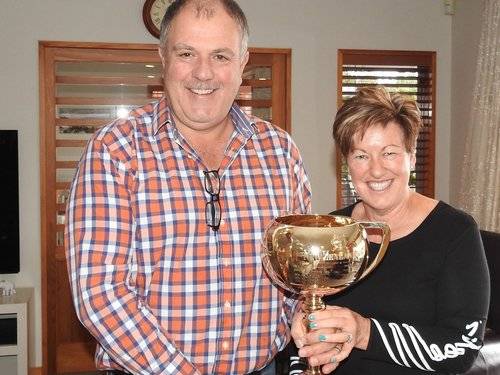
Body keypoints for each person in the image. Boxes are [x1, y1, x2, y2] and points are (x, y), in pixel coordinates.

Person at [65, 1, 311, 374]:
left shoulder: (280, 151)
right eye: (186, 53)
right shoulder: (115, 150)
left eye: (220, 56)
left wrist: (307, 315)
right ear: (163, 57)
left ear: (243, 62)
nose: (203, 73)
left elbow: (296, 273)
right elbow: (101, 294)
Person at [289, 86, 490, 375]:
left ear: (411, 155)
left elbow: (462, 348)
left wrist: (363, 332)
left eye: (389, 153)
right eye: (360, 156)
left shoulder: (455, 232)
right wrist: (305, 337)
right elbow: (308, 339)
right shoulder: (331, 232)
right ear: (346, 164)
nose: (376, 170)